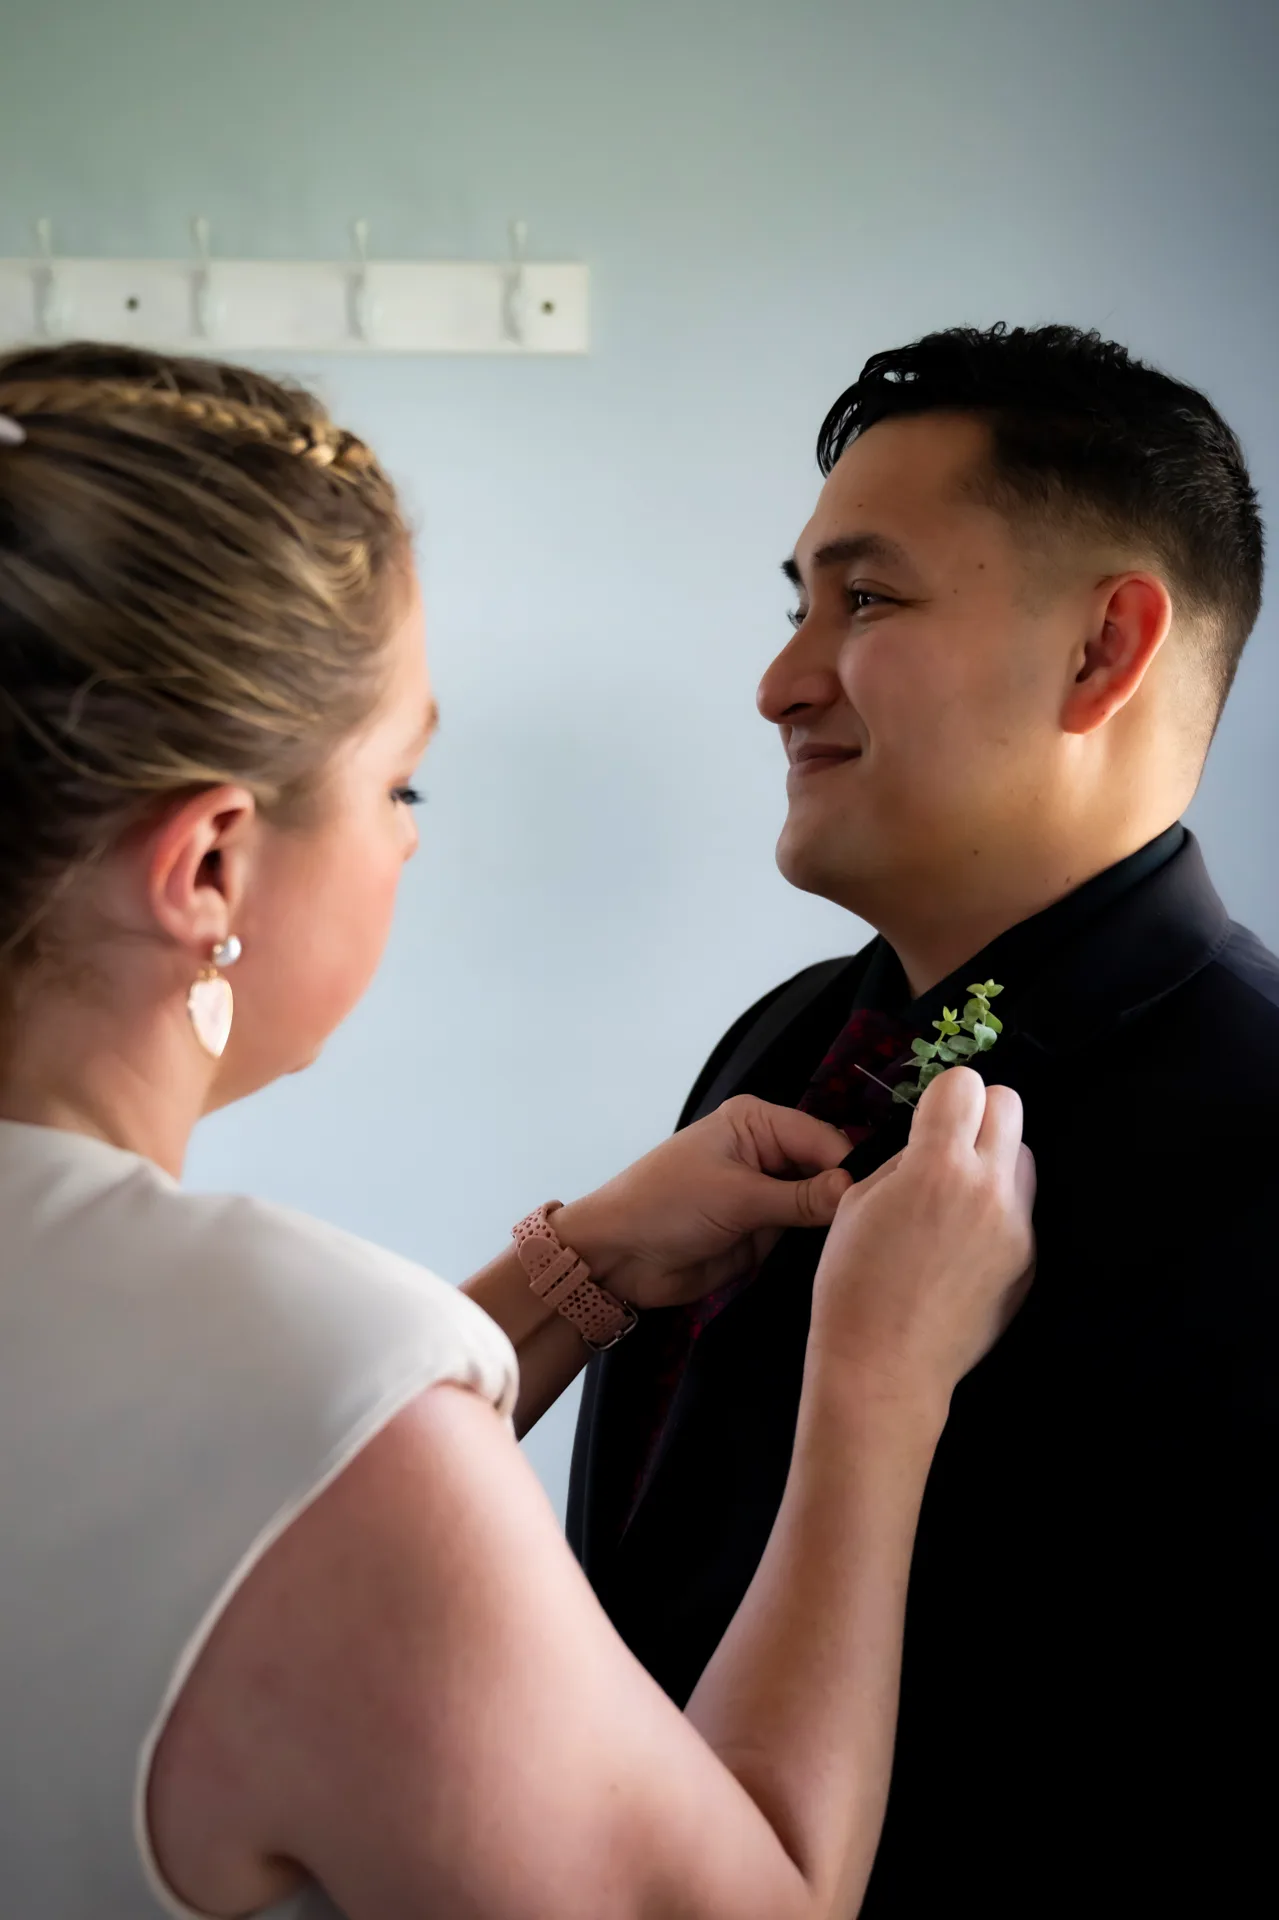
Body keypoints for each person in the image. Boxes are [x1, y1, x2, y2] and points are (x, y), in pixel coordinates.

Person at [0, 343, 1035, 1920]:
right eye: (397, 784)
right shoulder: (294, 1378)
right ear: (210, 865)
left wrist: (581, 1267)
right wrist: (877, 1391)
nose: (408, 842)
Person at [569, 323, 1279, 1914]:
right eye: (796, 604)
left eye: (866, 600)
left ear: (1104, 649)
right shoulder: (782, 1046)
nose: (777, 684)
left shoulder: (1258, 1122)